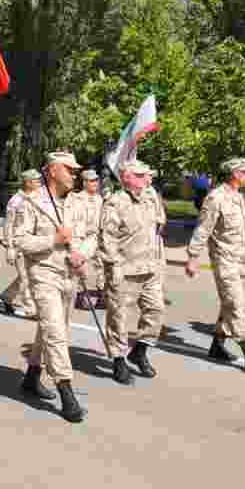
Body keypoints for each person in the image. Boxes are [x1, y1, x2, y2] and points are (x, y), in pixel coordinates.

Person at [15, 152, 96, 423]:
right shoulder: (32, 202)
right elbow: (21, 242)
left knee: (53, 326)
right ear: (52, 170)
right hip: (44, 272)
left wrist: (81, 253)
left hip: (69, 274)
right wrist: (53, 240)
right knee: (56, 330)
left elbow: (91, 235)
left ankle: (32, 376)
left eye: (75, 171)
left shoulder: (78, 203)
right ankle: (66, 391)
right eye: (69, 170)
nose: (74, 175)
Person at [186, 157, 245, 373]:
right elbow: (203, 229)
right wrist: (193, 257)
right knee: (236, 304)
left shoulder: (244, 198)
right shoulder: (216, 198)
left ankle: (217, 346)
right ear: (234, 174)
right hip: (224, 260)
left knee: (228, 304)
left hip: (241, 261)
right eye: (244, 172)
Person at [100, 159, 165, 384]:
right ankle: (118, 360)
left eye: (147, 176)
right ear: (127, 178)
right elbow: (107, 239)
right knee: (118, 317)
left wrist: (159, 260)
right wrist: (113, 265)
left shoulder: (151, 197)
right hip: (124, 269)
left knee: (155, 310)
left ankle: (140, 351)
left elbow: (159, 226)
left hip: (150, 267)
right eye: (142, 175)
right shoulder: (115, 202)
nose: (147, 179)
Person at [0, 169, 40, 317]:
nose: (38, 182)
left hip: (35, 243)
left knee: (31, 274)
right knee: (25, 277)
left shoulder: (39, 198)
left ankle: (7, 296)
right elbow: (8, 224)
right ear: (28, 182)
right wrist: (9, 247)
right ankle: (32, 310)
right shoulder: (16, 201)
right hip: (19, 243)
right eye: (35, 180)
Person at [73, 168, 105, 309]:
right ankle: (81, 296)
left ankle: (102, 295)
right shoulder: (76, 199)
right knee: (82, 267)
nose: (95, 183)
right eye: (92, 181)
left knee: (102, 267)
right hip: (84, 237)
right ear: (84, 182)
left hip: (99, 237)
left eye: (96, 180)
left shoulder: (100, 199)